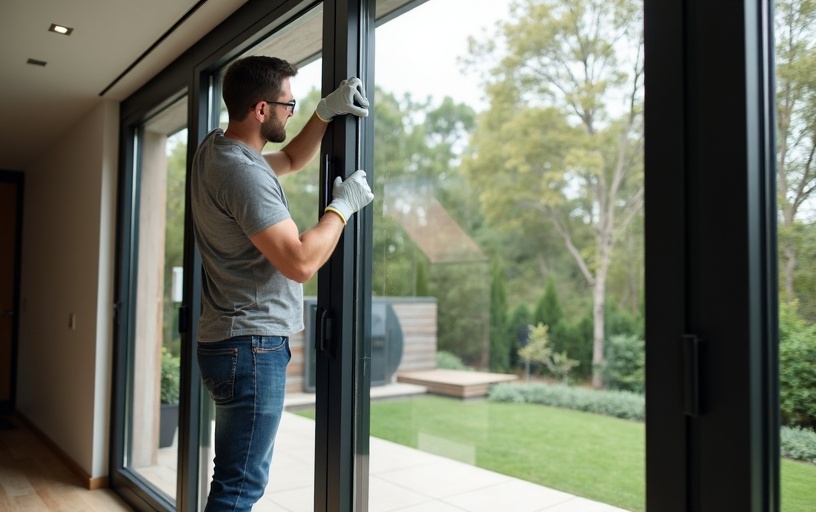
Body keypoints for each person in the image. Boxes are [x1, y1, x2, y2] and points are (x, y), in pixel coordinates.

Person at [190, 55, 374, 512]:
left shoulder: (215, 149)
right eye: (288, 105)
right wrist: (342, 209)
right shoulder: (243, 173)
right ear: (261, 109)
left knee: (232, 479)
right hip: (251, 345)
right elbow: (300, 262)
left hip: (227, 340)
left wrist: (324, 112)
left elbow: (291, 158)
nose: (292, 111)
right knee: (238, 489)